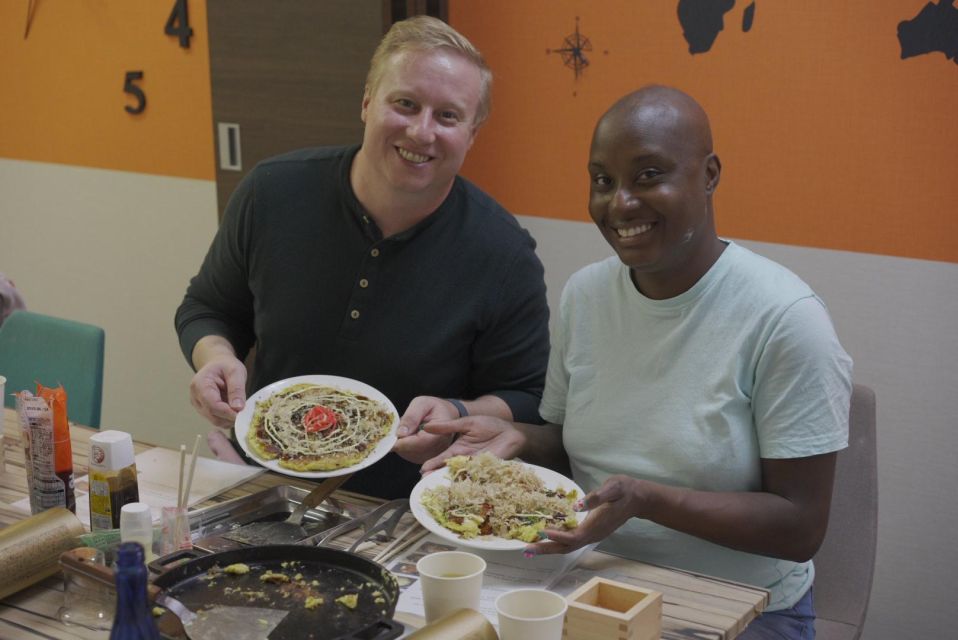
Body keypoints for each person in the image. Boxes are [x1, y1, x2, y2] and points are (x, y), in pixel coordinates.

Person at [396, 85, 853, 638]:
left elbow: (801, 527)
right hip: (590, 575)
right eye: (602, 180)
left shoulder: (785, 319)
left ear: (709, 175)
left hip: (738, 603)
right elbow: (571, 443)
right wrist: (514, 435)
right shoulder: (587, 294)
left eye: (648, 175)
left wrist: (647, 500)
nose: (620, 203)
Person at [174, 16, 550, 499]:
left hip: (407, 506)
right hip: (262, 482)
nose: (421, 131)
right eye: (405, 103)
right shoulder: (270, 193)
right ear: (368, 101)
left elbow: (527, 396)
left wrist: (458, 411)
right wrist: (215, 359)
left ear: (472, 133)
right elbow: (208, 308)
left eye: (448, 116)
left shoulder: (505, 254)